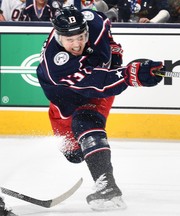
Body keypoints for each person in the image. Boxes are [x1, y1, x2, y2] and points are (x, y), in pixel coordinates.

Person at [36, 4, 163, 211]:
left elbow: (108, 36)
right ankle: (89, 160)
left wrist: (116, 57)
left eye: (81, 37)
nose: (76, 44)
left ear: (86, 29)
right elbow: (99, 81)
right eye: (70, 40)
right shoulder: (56, 65)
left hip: (96, 92)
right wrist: (131, 75)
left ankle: (107, 187)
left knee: (86, 122)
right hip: (65, 99)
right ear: (59, 37)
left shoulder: (95, 21)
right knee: (74, 155)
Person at [104, 0, 170, 23]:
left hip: (148, 33)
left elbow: (165, 13)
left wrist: (151, 22)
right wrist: (98, 2)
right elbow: (103, 7)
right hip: (123, 31)